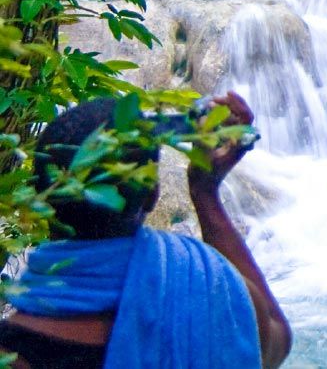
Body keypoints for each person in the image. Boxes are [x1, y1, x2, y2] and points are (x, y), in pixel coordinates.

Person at [0, 93, 291, 369]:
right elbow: (276, 338)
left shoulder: (12, 353)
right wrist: (205, 192)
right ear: (152, 195)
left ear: (39, 197)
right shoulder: (214, 292)